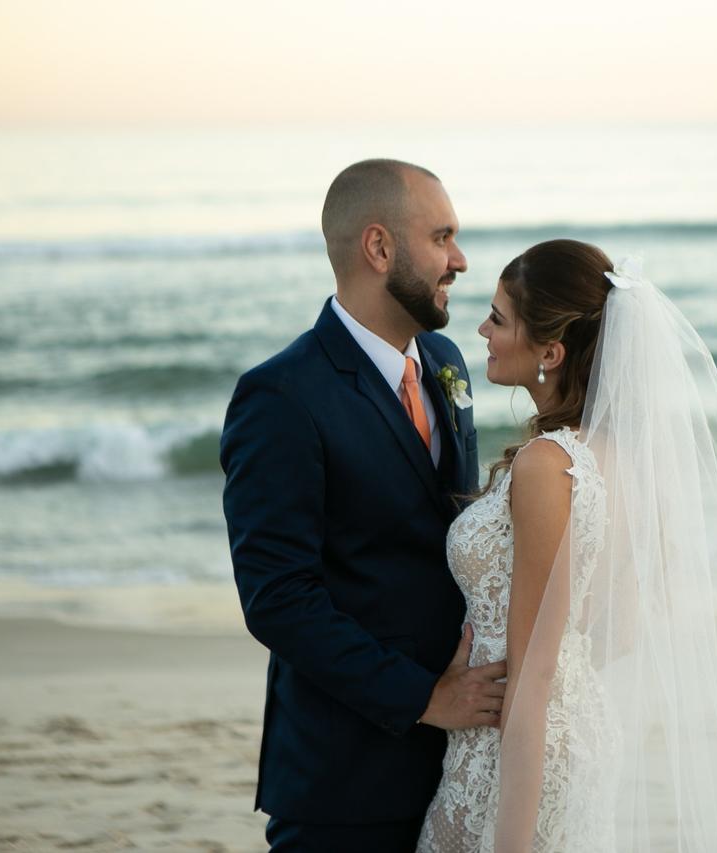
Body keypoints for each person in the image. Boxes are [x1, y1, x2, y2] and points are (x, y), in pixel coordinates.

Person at [417, 240, 717, 851]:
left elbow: (535, 674)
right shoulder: (624, 461)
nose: (482, 329)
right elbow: (622, 627)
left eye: (499, 318)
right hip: (575, 730)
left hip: (516, 749)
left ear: (550, 351)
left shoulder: (546, 466)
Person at [220, 159, 506, 852]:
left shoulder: (444, 361)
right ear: (379, 247)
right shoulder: (282, 397)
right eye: (441, 237)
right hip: (344, 777)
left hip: (456, 768)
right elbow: (279, 598)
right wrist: (423, 698)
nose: (459, 260)